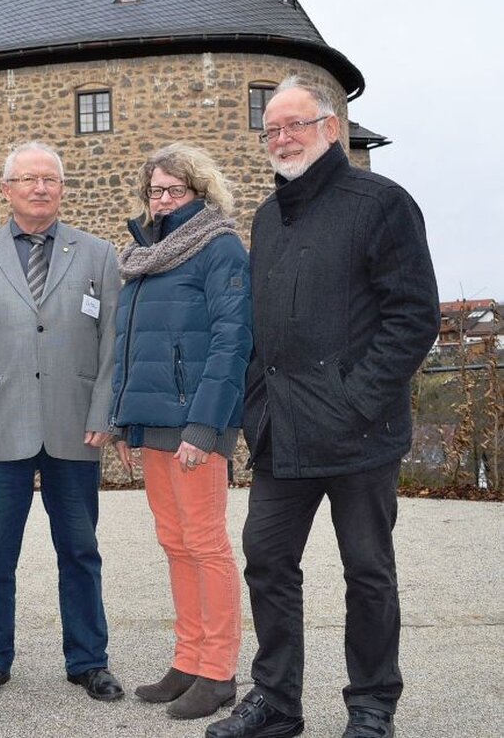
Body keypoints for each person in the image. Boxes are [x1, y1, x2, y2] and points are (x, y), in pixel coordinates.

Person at [207, 77, 439, 738]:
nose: (282, 138)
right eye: (272, 129)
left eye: (295, 125)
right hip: (284, 432)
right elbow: (261, 324)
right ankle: (277, 701)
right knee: (267, 560)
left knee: (367, 573)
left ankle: (371, 706)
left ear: (331, 127)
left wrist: (355, 401)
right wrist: (257, 404)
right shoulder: (267, 216)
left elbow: (412, 316)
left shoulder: (382, 203)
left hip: (360, 435)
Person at [0, 141, 124, 703]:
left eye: (51, 180)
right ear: (7, 189)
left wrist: (104, 414)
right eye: (29, 179)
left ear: (62, 190)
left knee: (81, 550)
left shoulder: (97, 255)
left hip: (76, 426)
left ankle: (88, 660)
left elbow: (114, 341)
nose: (41, 188)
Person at [110, 143, 251, 721]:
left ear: (200, 191)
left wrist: (205, 422)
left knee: (207, 545)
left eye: (175, 190)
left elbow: (232, 340)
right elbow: (131, 345)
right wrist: (125, 421)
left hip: (196, 424)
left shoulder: (219, 248)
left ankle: (218, 672)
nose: (163, 200)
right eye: (155, 191)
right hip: (154, 422)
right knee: (175, 543)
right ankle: (188, 658)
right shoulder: (148, 254)